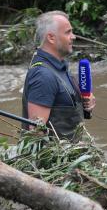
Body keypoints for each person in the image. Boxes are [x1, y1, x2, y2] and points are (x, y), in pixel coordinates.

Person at [21, 11, 96, 139]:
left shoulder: (60, 65)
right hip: (55, 157)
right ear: (51, 37)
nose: (73, 37)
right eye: (68, 32)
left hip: (74, 152)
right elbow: (35, 134)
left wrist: (87, 105)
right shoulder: (43, 75)